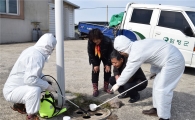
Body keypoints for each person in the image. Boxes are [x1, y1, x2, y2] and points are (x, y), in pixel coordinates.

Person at [110, 35, 185, 120]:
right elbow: (155, 56)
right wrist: (154, 71)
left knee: (163, 89)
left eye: (120, 52)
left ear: (123, 49)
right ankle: (157, 109)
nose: (121, 54)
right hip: (167, 60)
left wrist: (118, 83)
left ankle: (164, 117)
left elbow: (128, 70)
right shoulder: (137, 45)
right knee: (156, 86)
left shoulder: (136, 52)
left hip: (174, 62)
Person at [3, 33, 57, 120]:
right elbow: (30, 79)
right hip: (12, 92)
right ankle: (31, 116)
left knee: (40, 84)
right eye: (52, 48)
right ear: (48, 47)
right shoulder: (37, 56)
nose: (52, 50)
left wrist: (45, 80)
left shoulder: (32, 50)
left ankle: (19, 105)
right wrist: (47, 86)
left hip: (16, 88)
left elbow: (34, 72)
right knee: (36, 89)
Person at [87, 28, 114, 97]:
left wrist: (108, 64)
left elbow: (111, 53)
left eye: (97, 39)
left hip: (106, 56)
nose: (95, 41)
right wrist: (95, 64)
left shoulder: (108, 41)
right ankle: (95, 89)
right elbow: (90, 53)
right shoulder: (90, 42)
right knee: (95, 70)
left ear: (100, 37)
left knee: (107, 70)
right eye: (93, 40)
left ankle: (106, 87)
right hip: (96, 56)